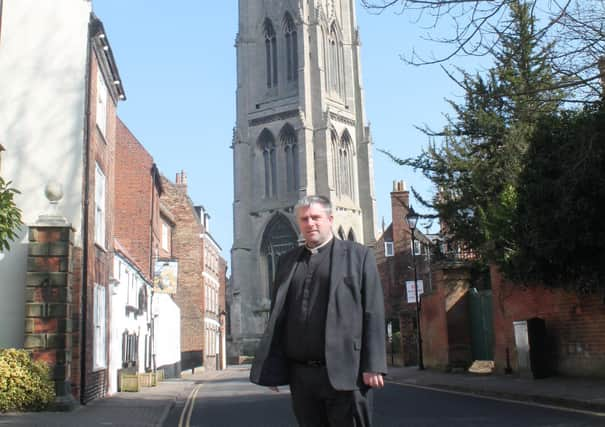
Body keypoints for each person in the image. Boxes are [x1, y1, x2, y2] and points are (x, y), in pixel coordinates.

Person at [250, 195, 387, 426]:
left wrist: (373, 365)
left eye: (316, 217)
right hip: (302, 377)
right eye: (304, 219)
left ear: (330, 219)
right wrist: (272, 367)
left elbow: (372, 311)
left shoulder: (358, 255)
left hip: (347, 372)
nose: (310, 223)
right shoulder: (288, 261)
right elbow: (278, 317)